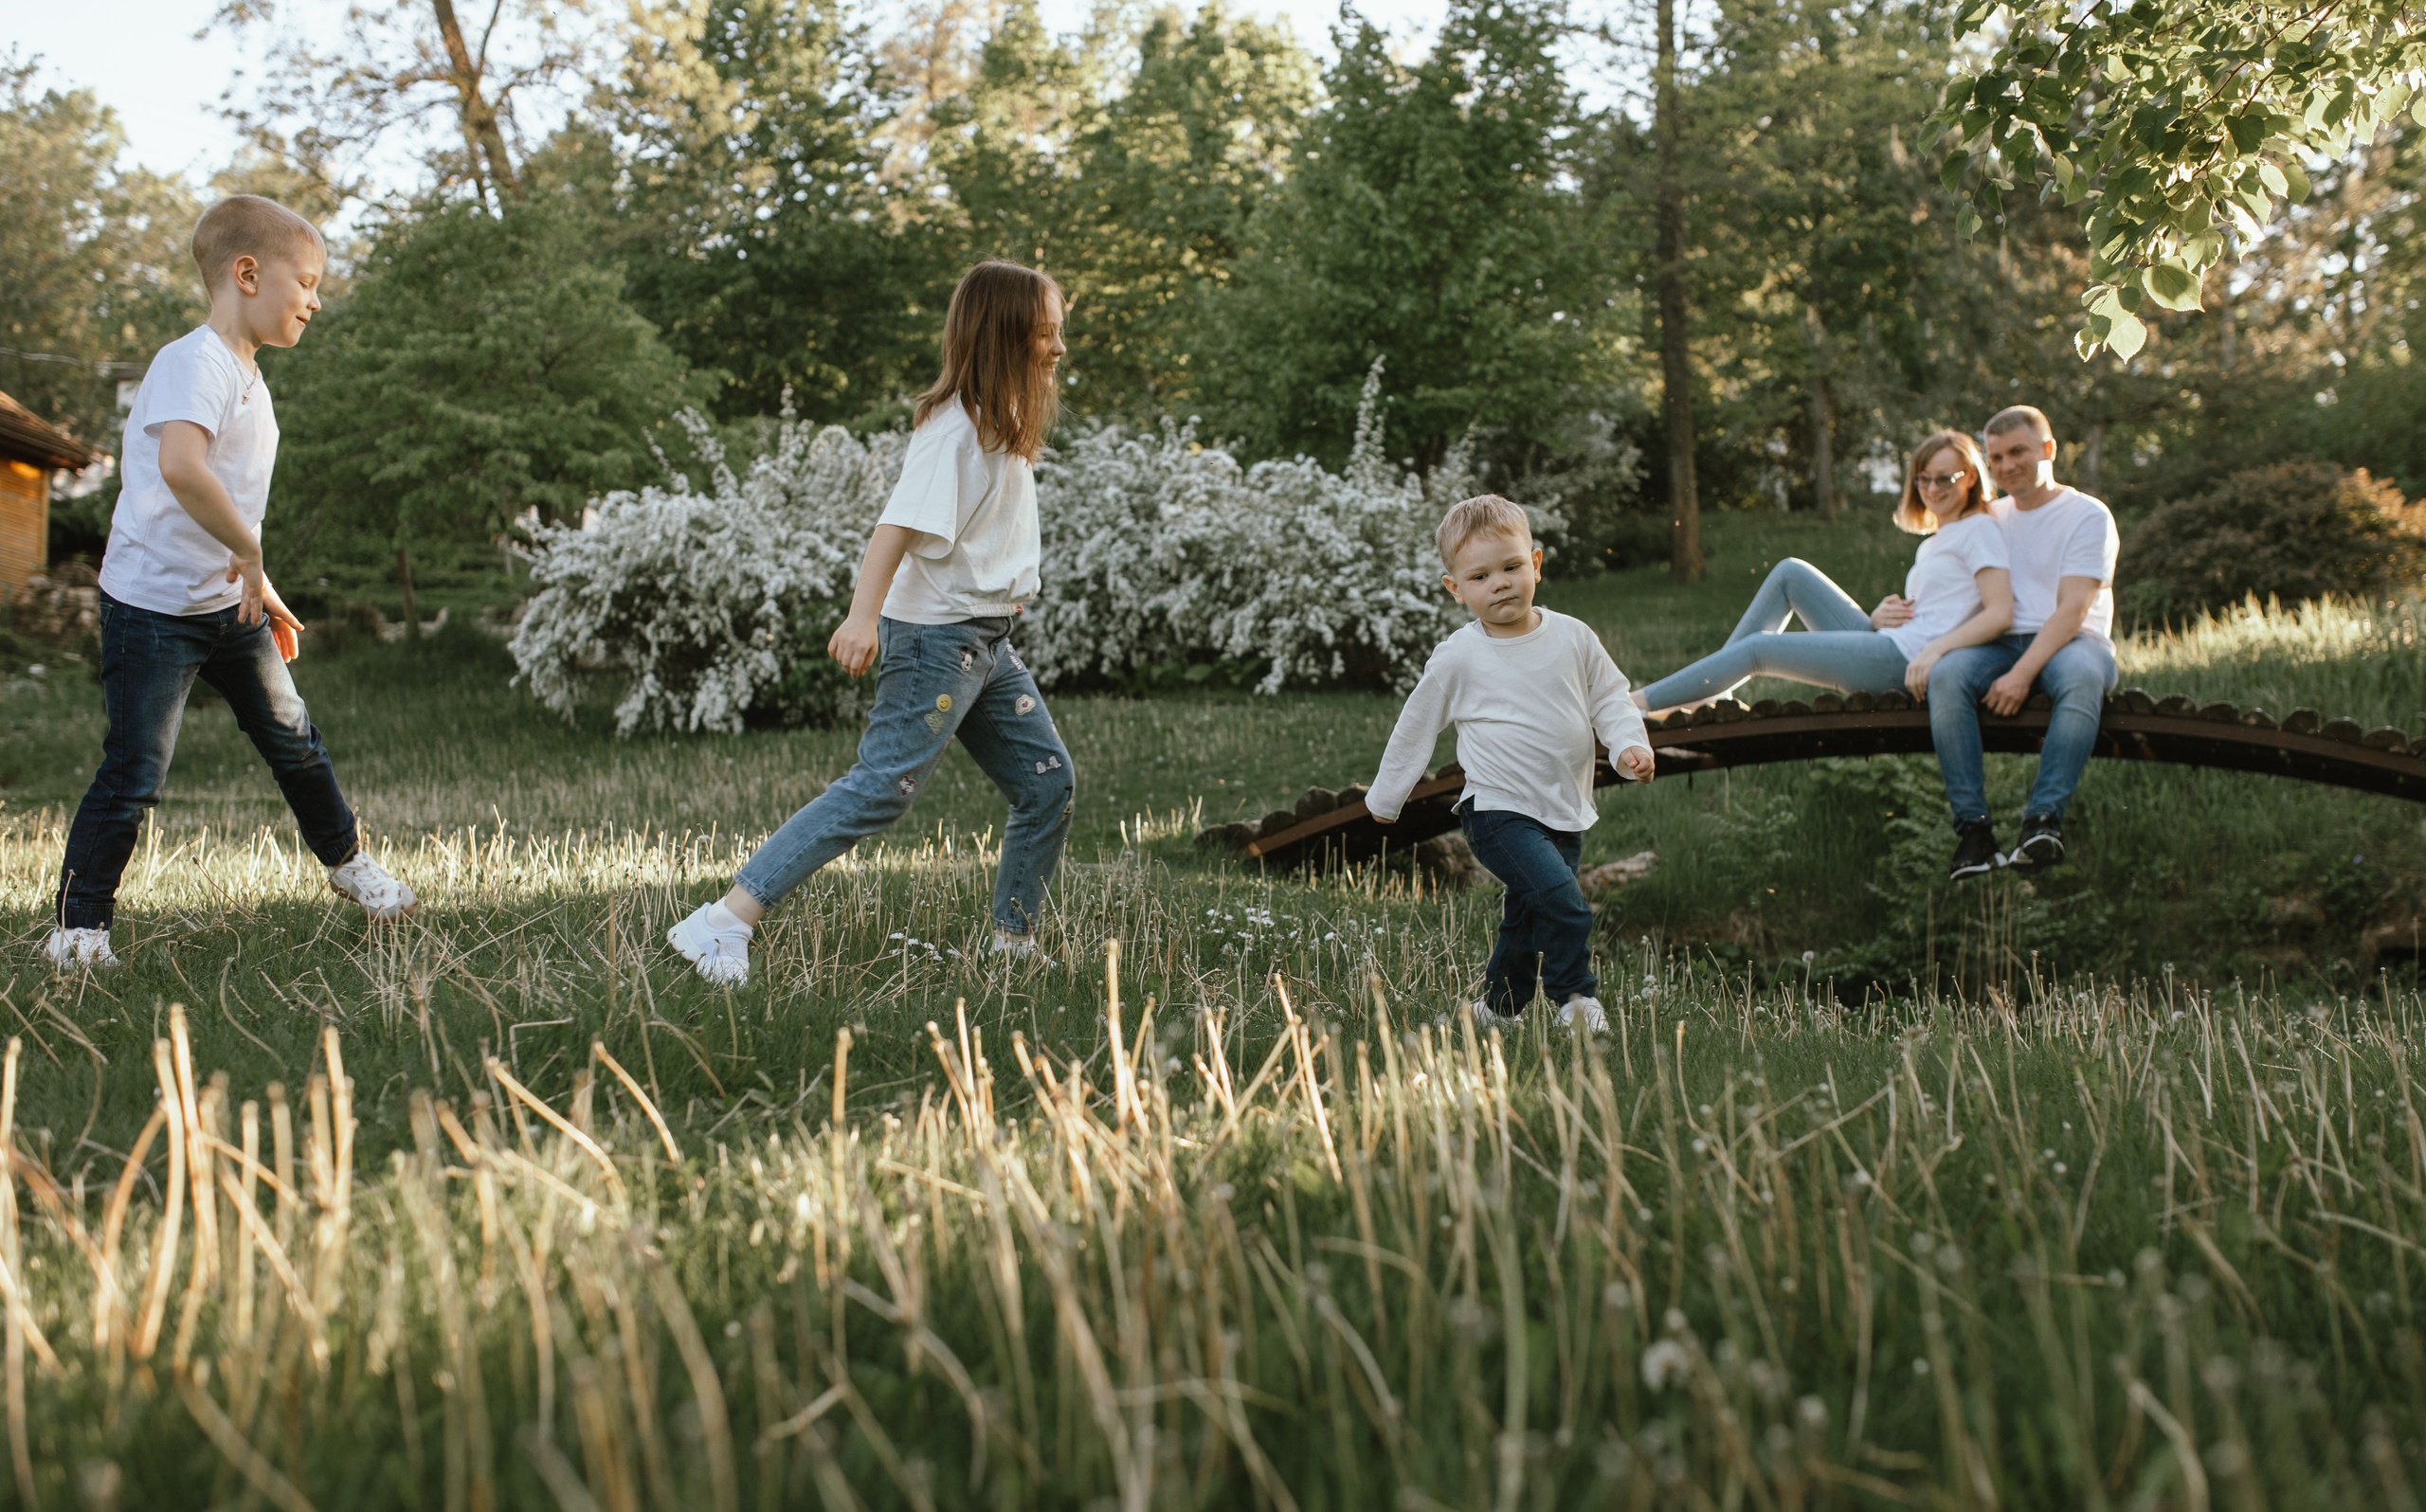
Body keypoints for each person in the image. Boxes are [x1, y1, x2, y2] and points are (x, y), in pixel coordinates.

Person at [666, 261, 1076, 985]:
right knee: (881, 787)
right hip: (937, 643)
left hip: (984, 639)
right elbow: (892, 530)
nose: (1059, 349)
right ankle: (721, 921)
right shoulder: (954, 435)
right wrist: (862, 619)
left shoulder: (995, 429)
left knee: (1047, 784)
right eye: (1046, 334)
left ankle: (1012, 945)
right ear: (1006, 336)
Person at [47, 195, 416, 973]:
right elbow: (182, 468)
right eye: (306, 281)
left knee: (295, 741)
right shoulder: (192, 361)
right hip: (152, 610)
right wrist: (249, 551)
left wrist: (258, 576)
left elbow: (227, 502)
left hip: (229, 605)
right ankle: (79, 933)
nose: (316, 299)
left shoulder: (250, 378)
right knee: (134, 774)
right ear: (248, 274)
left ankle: (349, 864)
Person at [1366, 495, 1657, 1032]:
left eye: (1511, 567)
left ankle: (1495, 1010)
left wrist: (1626, 747)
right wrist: (1387, 796)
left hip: (1563, 805)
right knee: (1561, 899)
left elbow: (1610, 698)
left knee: (1526, 913)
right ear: (1456, 589)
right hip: (1496, 809)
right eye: (1479, 576)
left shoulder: (1573, 636)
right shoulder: (1460, 656)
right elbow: (1417, 724)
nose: (1499, 583)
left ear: (1536, 565)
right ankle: (1576, 1000)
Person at [1632, 430, 2014, 732]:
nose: (1933, 489)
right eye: (1923, 479)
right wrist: (1880, 618)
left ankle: (1639, 704)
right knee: (1790, 573)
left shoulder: (1979, 529)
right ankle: (1711, 695)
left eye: (1945, 478)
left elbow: (1999, 612)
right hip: (1892, 643)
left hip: (1907, 662)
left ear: (1971, 480)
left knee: (1758, 650)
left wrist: (1933, 650)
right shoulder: (1935, 542)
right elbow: (1939, 610)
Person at [1925, 405, 2120, 880]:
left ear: (2048, 450)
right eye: (1996, 457)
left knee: (2080, 677)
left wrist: (2021, 674)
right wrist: (1888, 611)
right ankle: (1975, 832)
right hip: (1998, 641)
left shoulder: (2087, 515)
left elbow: (2072, 610)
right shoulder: (1990, 516)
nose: (2007, 466)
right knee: (1946, 675)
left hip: (2073, 640)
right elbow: (1944, 580)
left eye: (2018, 452)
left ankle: (2042, 821)